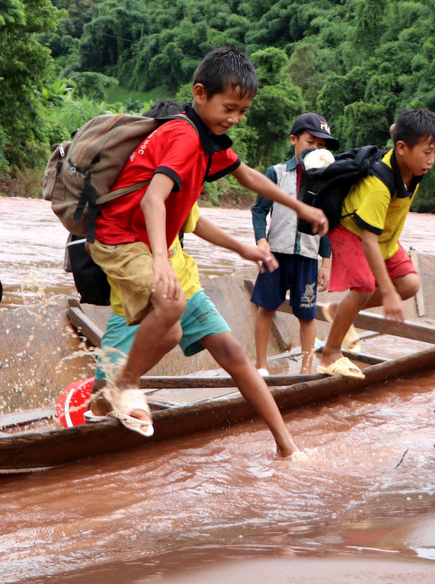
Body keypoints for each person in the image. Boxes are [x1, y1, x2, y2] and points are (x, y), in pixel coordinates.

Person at [87, 47, 328, 440]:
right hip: (122, 239)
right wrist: (162, 262)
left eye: (242, 112)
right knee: (170, 306)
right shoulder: (183, 136)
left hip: (150, 249)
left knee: (175, 332)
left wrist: (298, 205)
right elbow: (152, 199)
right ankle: (121, 384)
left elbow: (248, 177)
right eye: (229, 108)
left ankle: (286, 446)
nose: (234, 118)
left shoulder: (207, 141)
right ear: (200, 94)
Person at [88, 204, 309, 459]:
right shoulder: (134, 181)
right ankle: (97, 452)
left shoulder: (176, 174)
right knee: (101, 392)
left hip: (185, 284)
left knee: (233, 352)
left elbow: (194, 220)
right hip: (139, 298)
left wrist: (242, 248)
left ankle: (286, 445)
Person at [317, 108, 435, 379]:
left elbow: (395, 128)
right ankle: (330, 353)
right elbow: (368, 242)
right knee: (364, 287)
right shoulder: (379, 184)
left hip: (384, 237)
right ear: (401, 148)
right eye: (426, 152)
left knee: (409, 285)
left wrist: (392, 289)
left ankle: (339, 310)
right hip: (351, 230)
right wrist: (385, 291)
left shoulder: (413, 165)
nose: (431, 160)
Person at [250, 113, 340, 376]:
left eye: (322, 146)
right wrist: (261, 241)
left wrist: (326, 263)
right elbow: (259, 210)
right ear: (294, 140)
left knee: (307, 315)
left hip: (307, 258)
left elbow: (326, 225)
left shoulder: (325, 181)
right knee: (266, 308)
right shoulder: (276, 173)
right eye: (310, 142)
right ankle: (261, 366)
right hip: (275, 255)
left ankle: (306, 368)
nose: (316, 150)